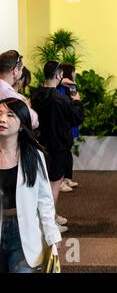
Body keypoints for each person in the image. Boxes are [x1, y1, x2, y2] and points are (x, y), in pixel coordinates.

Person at [0, 98, 61, 273]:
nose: (2, 119)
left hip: (24, 230)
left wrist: (52, 235)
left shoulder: (33, 156)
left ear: (21, 125)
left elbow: (44, 200)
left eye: (10, 115)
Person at [30, 61, 84, 233]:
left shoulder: (36, 95)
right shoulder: (62, 99)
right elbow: (77, 118)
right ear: (59, 75)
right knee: (53, 187)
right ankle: (49, 225)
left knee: (42, 185)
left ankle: (50, 217)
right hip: (58, 146)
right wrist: (76, 101)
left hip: (39, 144)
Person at [56, 63, 81, 193]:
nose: (75, 74)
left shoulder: (71, 86)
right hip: (63, 124)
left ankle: (67, 178)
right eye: (73, 71)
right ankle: (60, 182)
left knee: (68, 151)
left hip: (70, 123)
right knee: (64, 152)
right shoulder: (59, 88)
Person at [0, 50, 39, 130]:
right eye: (21, 69)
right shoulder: (10, 95)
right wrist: (26, 104)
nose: (21, 72)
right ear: (15, 71)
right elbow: (33, 121)